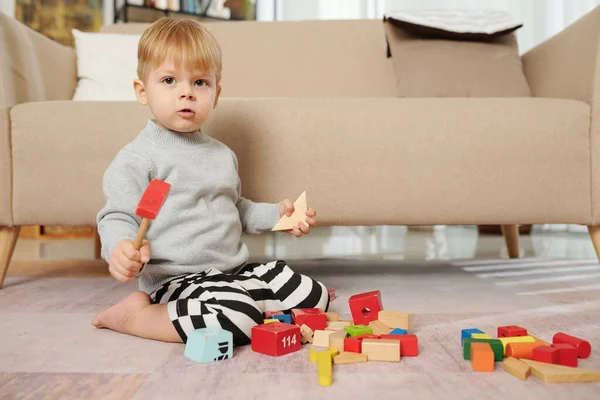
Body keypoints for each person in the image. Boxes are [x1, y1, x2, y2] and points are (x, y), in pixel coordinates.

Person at [92, 17, 329, 346]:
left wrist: (278, 216)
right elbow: (118, 215)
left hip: (232, 271)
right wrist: (119, 247)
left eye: (200, 83)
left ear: (216, 94)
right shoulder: (139, 159)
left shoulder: (222, 155)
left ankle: (241, 305)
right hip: (175, 280)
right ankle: (136, 316)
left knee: (311, 296)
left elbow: (235, 209)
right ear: (142, 91)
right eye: (170, 80)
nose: (186, 93)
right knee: (239, 316)